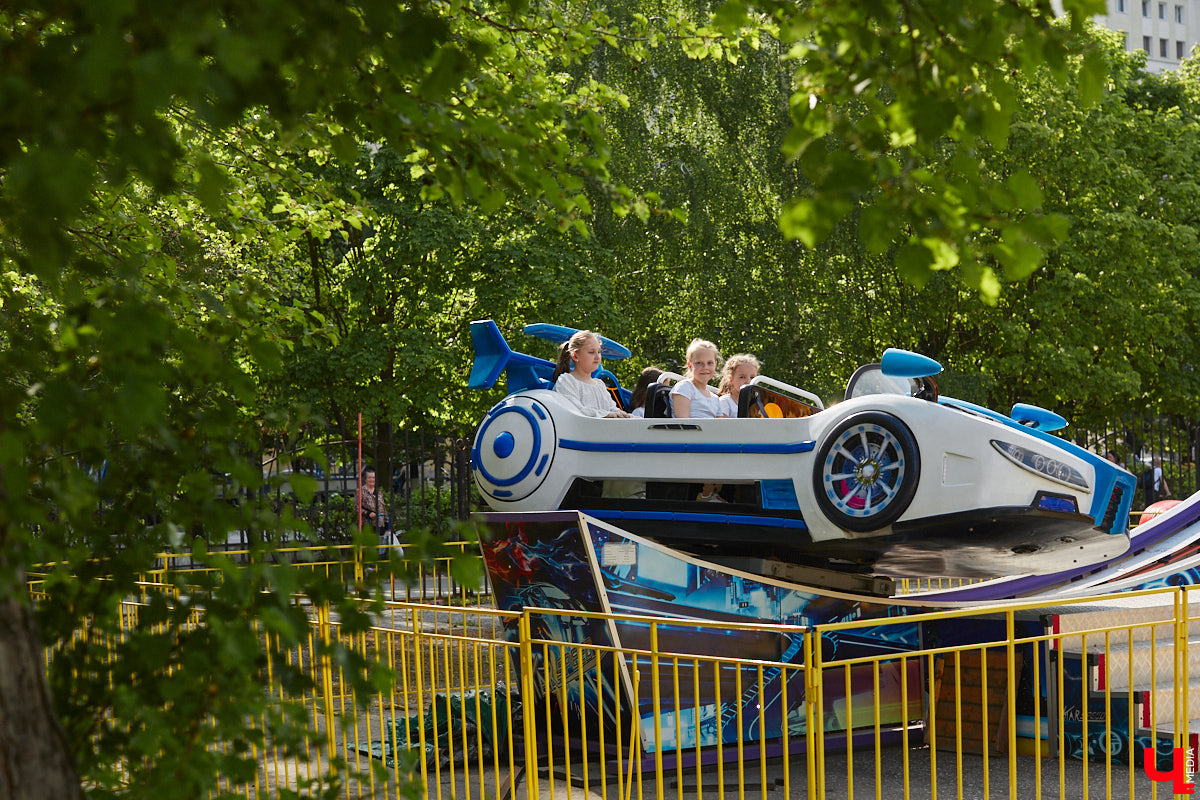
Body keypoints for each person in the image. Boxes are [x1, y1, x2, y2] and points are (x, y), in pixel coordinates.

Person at [552, 330, 631, 418]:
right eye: (591, 352)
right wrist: (607, 415)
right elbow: (576, 411)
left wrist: (622, 415)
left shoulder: (599, 384)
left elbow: (612, 408)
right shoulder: (567, 381)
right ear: (575, 356)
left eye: (599, 352)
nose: (597, 357)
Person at [670, 339, 724, 419]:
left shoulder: (715, 398)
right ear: (689, 365)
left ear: (715, 364)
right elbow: (683, 423)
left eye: (710, 363)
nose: (705, 367)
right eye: (699, 363)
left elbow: (722, 427)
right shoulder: (685, 387)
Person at [717, 353, 761, 419]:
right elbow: (720, 426)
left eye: (752, 377)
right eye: (742, 377)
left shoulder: (756, 404)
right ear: (731, 379)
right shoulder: (726, 401)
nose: (748, 381)